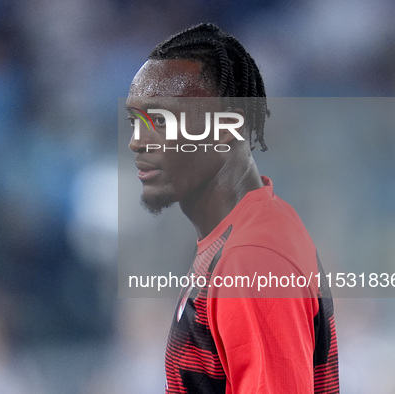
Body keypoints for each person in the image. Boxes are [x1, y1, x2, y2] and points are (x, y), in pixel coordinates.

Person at [126, 23, 339, 393]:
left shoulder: (250, 257)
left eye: (159, 120)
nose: (136, 141)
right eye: (135, 121)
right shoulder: (243, 235)